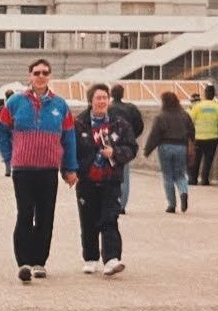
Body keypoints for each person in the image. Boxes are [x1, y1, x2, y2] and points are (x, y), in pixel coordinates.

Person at [0, 58, 77, 283]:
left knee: (45, 216)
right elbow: (2, 131)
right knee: (25, 214)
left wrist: (70, 168)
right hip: (23, 169)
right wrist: (8, 157)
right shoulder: (14, 102)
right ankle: (23, 262)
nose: (40, 76)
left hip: (48, 169)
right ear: (30, 76)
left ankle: (39, 261)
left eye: (44, 72)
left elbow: (69, 138)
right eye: (36, 72)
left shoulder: (60, 105)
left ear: (49, 76)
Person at [73, 84, 138, 277]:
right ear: (90, 101)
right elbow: (70, 149)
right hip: (87, 179)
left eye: (105, 98)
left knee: (110, 218)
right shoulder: (79, 123)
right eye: (98, 98)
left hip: (111, 179)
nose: (102, 101)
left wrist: (115, 153)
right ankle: (90, 257)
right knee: (88, 220)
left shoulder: (120, 124)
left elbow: (131, 148)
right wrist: (72, 170)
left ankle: (111, 258)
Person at [143, 91, 196, 214]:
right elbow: (192, 132)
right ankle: (183, 193)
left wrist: (148, 150)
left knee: (168, 176)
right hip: (181, 147)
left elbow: (154, 135)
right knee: (180, 174)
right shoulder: (184, 115)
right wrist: (192, 144)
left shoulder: (161, 117)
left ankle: (171, 205)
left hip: (165, 147)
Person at [108, 84, 144, 213]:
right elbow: (140, 125)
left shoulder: (108, 108)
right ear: (122, 94)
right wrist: (131, 137)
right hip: (125, 146)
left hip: (109, 145)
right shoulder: (131, 108)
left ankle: (110, 201)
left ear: (111, 94)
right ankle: (121, 205)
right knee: (124, 176)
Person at [188, 84, 218, 186]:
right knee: (208, 161)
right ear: (214, 95)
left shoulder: (197, 107)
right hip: (212, 138)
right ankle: (205, 180)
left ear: (205, 94)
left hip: (198, 137)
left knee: (196, 160)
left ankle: (193, 180)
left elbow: (190, 122)